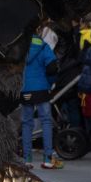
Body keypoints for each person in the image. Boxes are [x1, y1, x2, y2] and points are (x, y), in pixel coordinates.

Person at [21, 29, 63, 170]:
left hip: (25, 89)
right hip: (41, 89)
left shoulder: (20, 46)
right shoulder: (43, 45)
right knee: (46, 121)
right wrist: (49, 82)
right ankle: (48, 158)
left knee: (27, 123)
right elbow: (52, 68)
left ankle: (27, 159)